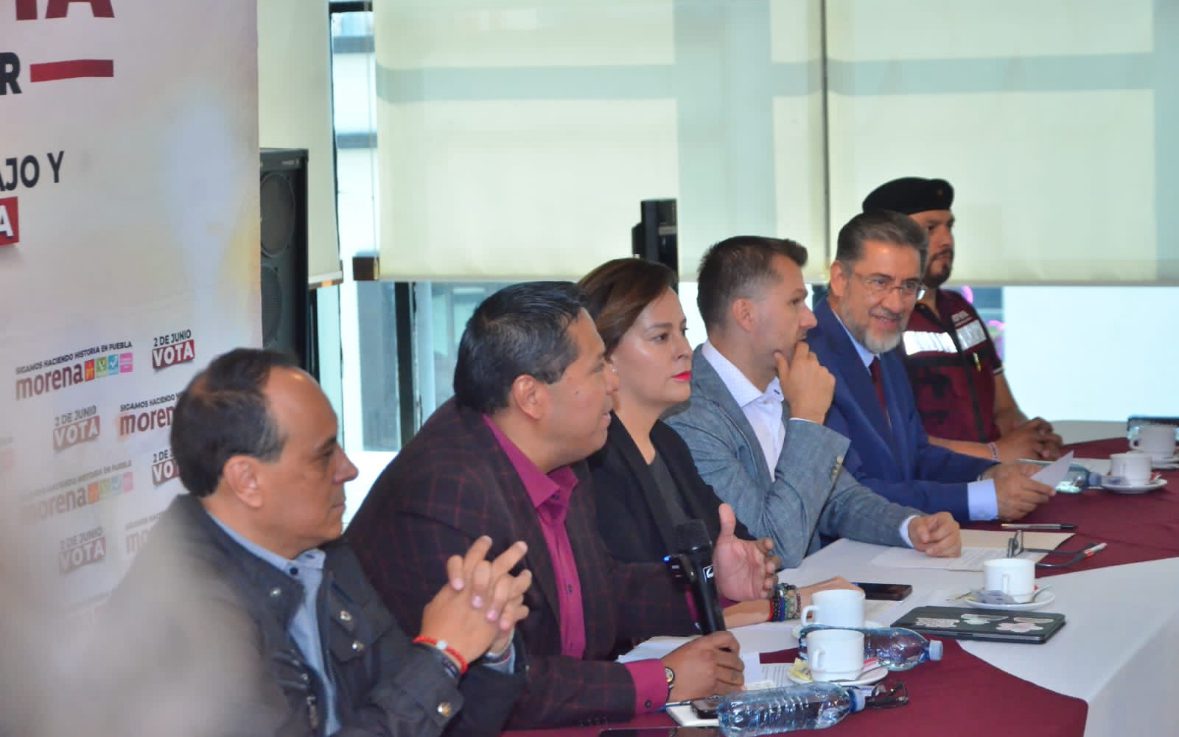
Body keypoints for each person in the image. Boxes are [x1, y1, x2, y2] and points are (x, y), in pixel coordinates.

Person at [348, 283, 777, 729]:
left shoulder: (559, 452)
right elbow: (502, 682)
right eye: (597, 369)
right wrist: (664, 679)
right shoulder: (448, 494)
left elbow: (600, 589)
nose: (613, 383)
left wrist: (708, 581)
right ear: (531, 396)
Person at [100, 348, 530, 737]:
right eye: (324, 456)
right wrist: (441, 657)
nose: (348, 469)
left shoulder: (324, 556)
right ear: (247, 481)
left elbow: (435, 722)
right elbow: (418, 695)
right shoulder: (185, 613)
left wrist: (487, 647)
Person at [578, 258, 859, 628]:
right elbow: (646, 610)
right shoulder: (595, 464)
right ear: (605, 358)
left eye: (682, 331)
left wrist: (750, 566)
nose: (683, 349)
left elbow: (746, 551)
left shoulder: (667, 441)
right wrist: (787, 603)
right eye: (661, 337)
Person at [664, 237, 961, 566]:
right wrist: (807, 419)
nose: (810, 319)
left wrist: (911, 527)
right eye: (795, 302)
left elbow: (838, 499)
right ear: (746, 314)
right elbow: (773, 545)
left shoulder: (783, 382)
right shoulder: (689, 417)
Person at [806, 211, 1055, 521]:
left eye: (909, 286)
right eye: (880, 283)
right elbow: (850, 495)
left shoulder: (882, 343)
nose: (896, 304)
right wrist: (983, 499)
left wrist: (990, 474)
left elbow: (916, 455)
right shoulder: (810, 359)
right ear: (840, 279)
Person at [862, 177, 1062, 463]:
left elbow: (1004, 409)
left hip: (994, 477)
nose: (947, 240)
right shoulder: (878, 321)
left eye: (950, 226)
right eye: (930, 228)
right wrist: (995, 453)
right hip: (936, 484)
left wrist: (1032, 441)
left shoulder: (960, 310)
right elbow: (892, 438)